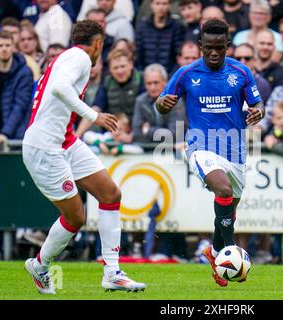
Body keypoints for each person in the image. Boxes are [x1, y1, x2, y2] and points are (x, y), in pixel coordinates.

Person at [22, 20, 146, 294]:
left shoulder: (67, 57)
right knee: (76, 217)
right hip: (44, 147)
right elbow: (60, 89)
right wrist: (94, 115)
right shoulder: (79, 57)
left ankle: (112, 272)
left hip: (65, 140)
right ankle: (40, 266)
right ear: (98, 43)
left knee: (110, 194)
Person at [156, 19, 265, 286]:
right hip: (200, 147)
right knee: (224, 191)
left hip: (235, 149)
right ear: (201, 46)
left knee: (228, 211)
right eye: (208, 48)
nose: (214, 53)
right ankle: (231, 251)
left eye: (219, 48)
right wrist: (163, 103)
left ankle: (215, 253)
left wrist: (258, 112)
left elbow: (258, 103)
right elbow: (160, 103)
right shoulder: (185, 73)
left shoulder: (241, 72)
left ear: (228, 46)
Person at [0, 30, 34, 148]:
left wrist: (4, 134)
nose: (4, 49)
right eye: (0, 46)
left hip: (15, 136)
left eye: (7, 45)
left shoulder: (24, 73)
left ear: (13, 48)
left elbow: (20, 107)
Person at [75, 48, 141, 138]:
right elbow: (95, 109)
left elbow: (144, 113)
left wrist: (132, 136)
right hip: (111, 134)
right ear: (110, 69)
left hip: (138, 134)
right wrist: (77, 136)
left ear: (131, 65)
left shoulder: (141, 80)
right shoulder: (107, 83)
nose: (120, 71)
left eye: (123, 66)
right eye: (115, 67)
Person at [135, 0, 186, 72]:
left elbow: (178, 56)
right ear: (151, 5)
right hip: (146, 75)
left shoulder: (177, 27)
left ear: (169, 5)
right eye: (157, 3)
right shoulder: (142, 27)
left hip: (170, 75)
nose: (161, 7)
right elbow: (138, 56)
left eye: (164, 4)